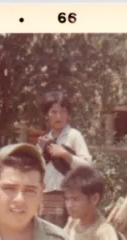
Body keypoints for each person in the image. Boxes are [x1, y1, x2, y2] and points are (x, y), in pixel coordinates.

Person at [37, 90, 92, 227]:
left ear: (68, 115)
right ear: (46, 115)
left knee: (68, 235)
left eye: (62, 112)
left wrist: (65, 155)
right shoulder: (43, 141)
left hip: (70, 196)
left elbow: (87, 167)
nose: (58, 116)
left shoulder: (73, 135)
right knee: (48, 235)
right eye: (53, 112)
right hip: (47, 196)